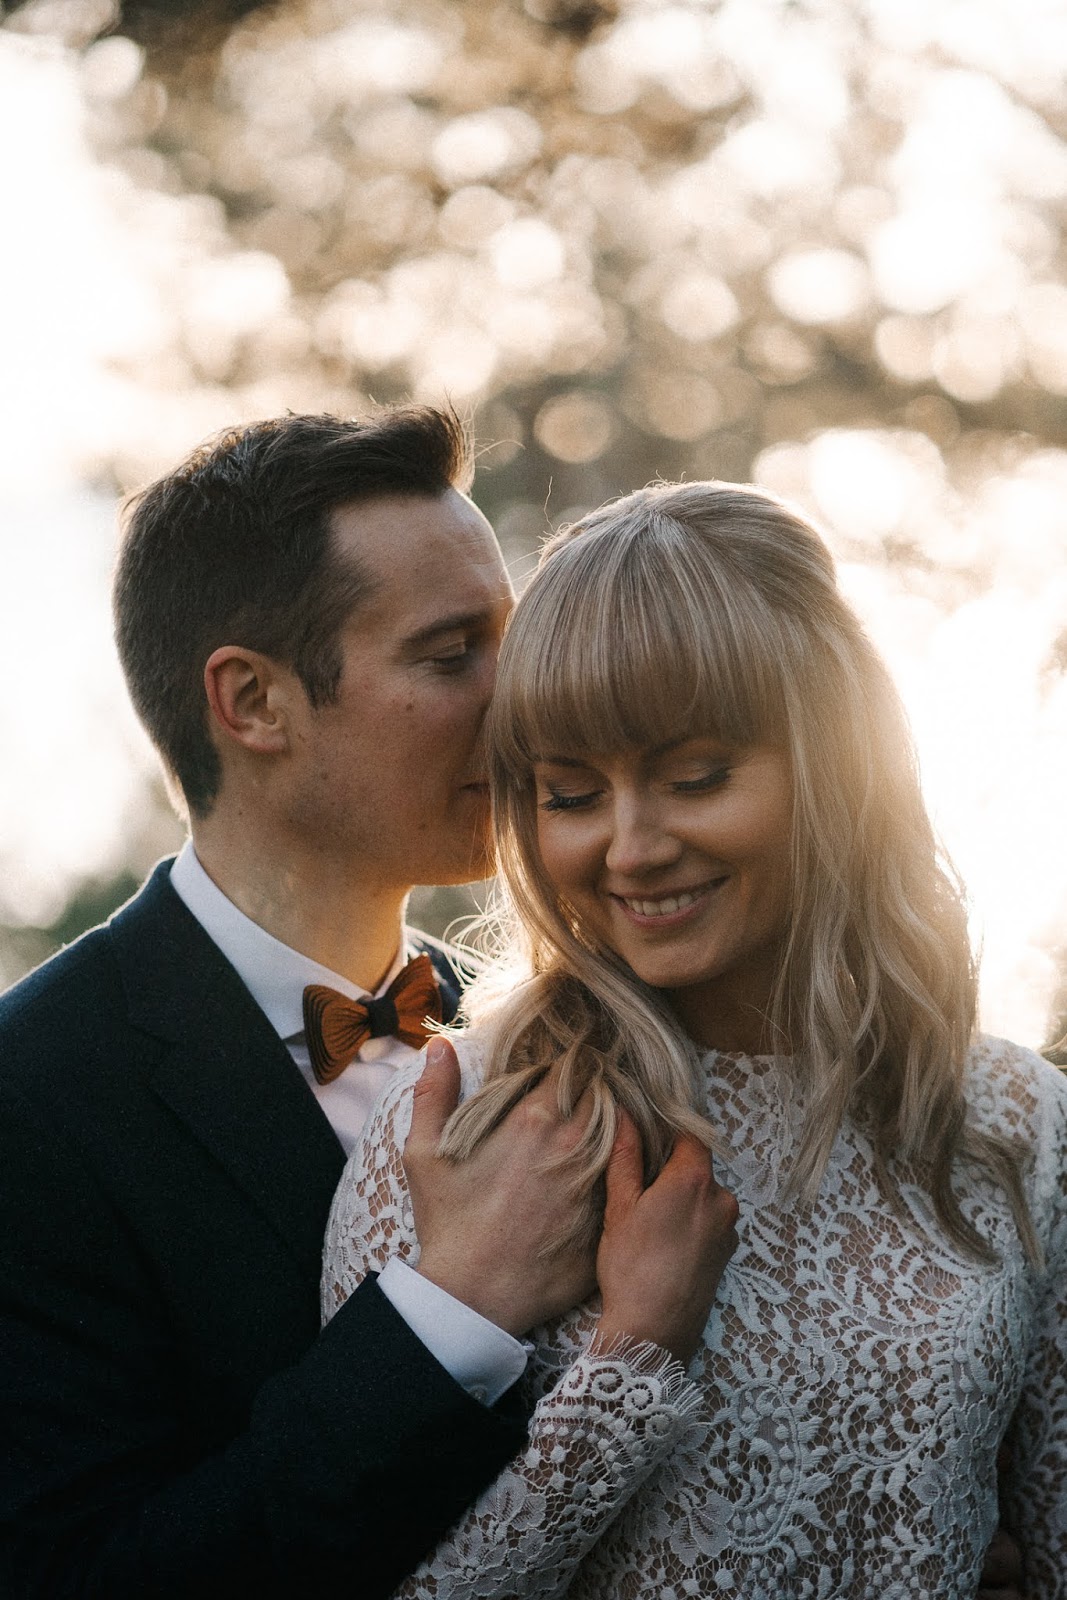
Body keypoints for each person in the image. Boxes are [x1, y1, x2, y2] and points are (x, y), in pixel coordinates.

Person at [0, 410, 736, 1599]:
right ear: (253, 702)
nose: (524, 701)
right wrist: (458, 1302)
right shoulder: (34, 1100)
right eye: (452, 654)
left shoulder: (554, 1023)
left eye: (512, 641)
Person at [323, 478, 1067, 1597]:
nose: (630, 848)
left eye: (694, 778)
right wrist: (631, 1362)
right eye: (572, 794)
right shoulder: (461, 1124)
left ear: (835, 761)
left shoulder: (1016, 1120)